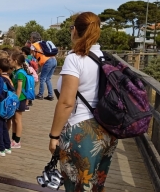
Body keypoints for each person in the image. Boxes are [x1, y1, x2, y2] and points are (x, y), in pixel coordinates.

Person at [49, 12, 118, 191]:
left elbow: (66, 102)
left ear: (75, 31)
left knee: (76, 186)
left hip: (81, 130)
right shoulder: (106, 58)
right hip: (107, 130)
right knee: (95, 185)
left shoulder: (75, 59)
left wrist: (54, 136)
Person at [0, 58, 13, 156]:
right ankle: (7, 146)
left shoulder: (0, 79)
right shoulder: (8, 79)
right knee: (4, 127)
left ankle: (1, 148)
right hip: (7, 107)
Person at [9, 52, 28, 148]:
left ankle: (17, 141)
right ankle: (13, 139)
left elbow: (19, 89)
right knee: (14, 119)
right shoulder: (16, 72)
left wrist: (15, 100)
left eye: (11, 60)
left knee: (18, 119)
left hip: (19, 99)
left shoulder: (20, 74)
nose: (9, 61)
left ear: (15, 61)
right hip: (17, 99)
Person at [30, 32, 57, 101]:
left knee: (42, 78)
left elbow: (32, 55)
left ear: (33, 38)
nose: (30, 39)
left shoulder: (34, 45)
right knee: (48, 78)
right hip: (54, 60)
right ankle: (50, 95)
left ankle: (40, 95)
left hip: (47, 62)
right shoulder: (43, 43)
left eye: (31, 38)